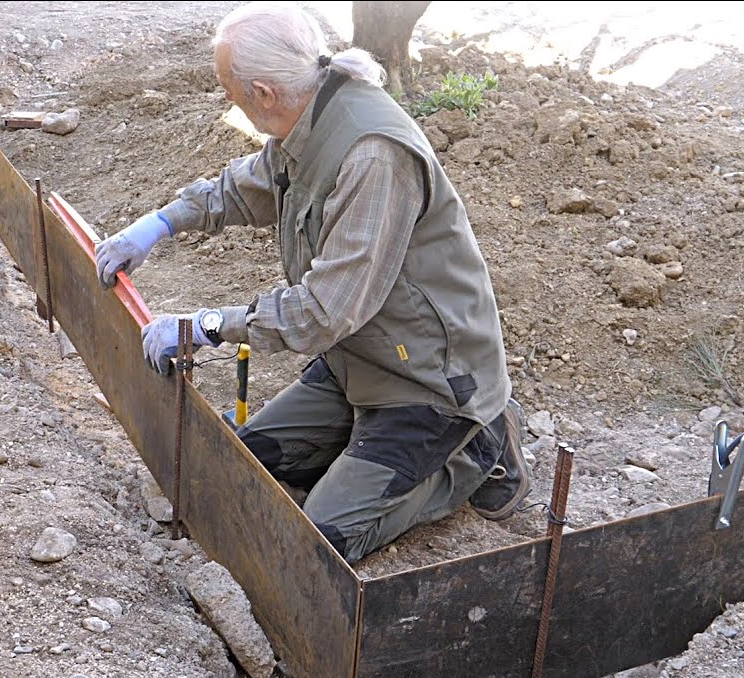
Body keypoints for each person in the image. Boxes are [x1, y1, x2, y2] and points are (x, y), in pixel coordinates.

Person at [94, 2, 529, 564]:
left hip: (427, 384)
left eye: (230, 88)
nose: (229, 99)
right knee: (243, 460)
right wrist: (158, 224)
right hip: (361, 362)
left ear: (264, 93)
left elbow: (324, 310)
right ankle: (364, 455)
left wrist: (207, 326)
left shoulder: (373, 155)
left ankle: (479, 449)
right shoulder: (311, 113)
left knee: (318, 539)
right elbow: (246, 186)